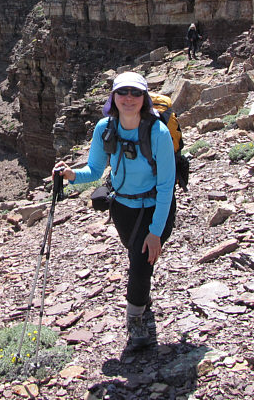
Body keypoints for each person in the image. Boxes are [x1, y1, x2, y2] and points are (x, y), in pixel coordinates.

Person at [53, 72, 176, 348]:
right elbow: (95, 171)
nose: (128, 98)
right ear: (113, 97)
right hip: (122, 208)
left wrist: (156, 232)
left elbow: (167, 186)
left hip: (157, 207)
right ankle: (143, 295)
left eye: (135, 93)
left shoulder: (158, 132)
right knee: (138, 259)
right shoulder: (104, 128)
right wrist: (71, 174)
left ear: (144, 98)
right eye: (123, 93)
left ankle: (135, 321)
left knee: (140, 261)